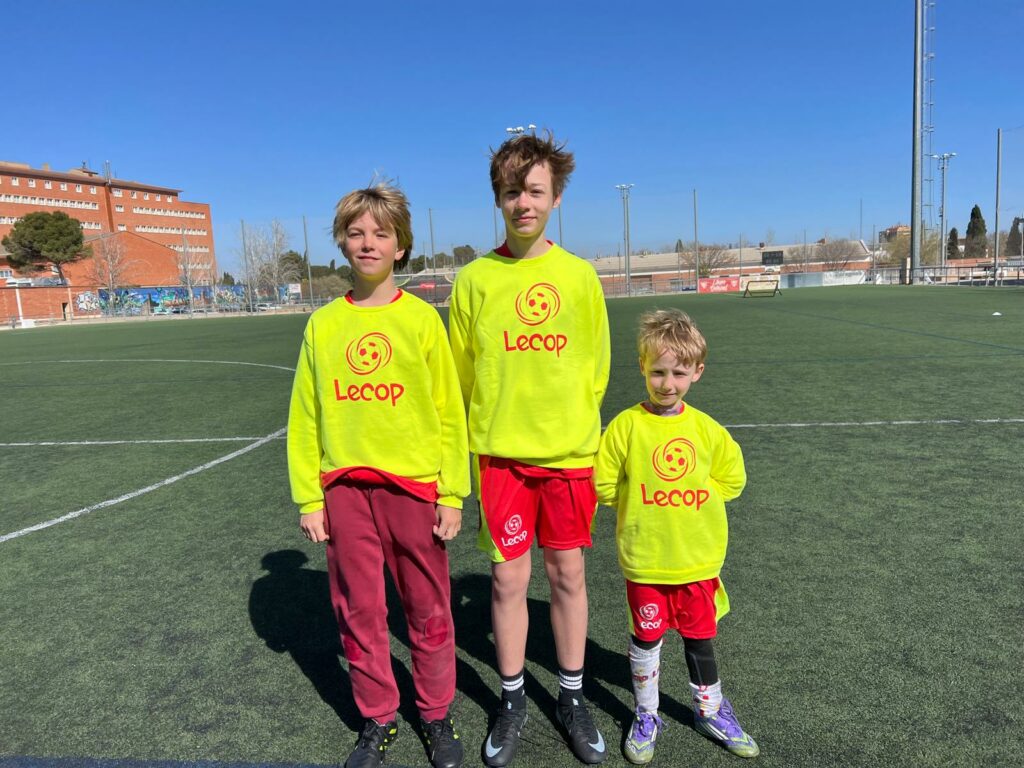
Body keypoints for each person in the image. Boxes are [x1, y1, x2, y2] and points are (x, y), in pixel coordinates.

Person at [287, 183, 470, 768]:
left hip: (413, 489)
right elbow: (305, 415)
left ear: (400, 246)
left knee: (428, 606)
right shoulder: (322, 325)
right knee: (359, 610)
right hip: (343, 490)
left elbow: (449, 412)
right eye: (357, 232)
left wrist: (452, 492)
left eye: (381, 233)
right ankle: (379, 717)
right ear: (343, 242)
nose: (368, 242)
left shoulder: (422, 320)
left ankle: (435, 714)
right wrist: (309, 498)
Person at [448, 132, 611, 767]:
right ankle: (512, 698)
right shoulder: (474, 280)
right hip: (502, 460)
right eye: (513, 192)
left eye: (536, 191)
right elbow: (461, 376)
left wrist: (566, 426)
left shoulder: (579, 277)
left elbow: (596, 368)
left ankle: (571, 696)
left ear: (556, 198)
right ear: (498, 198)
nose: (524, 203)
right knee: (507, 578)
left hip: (568, 457)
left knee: (568, 575)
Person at [594, 308, 759, 763]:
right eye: (658, 372)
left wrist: (694, 501)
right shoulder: (626, 426)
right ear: (642, 367)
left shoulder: (707, 430)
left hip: (696, 561)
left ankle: (710, 710)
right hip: (646, 561)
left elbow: (733, 480)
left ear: (697, 372)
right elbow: (604, 484)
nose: (667, 383)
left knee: (700, 640)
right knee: (645, 641)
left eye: (679, 373)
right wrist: (641, 503)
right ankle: (647, 714)